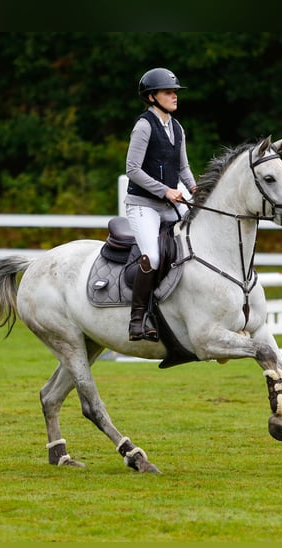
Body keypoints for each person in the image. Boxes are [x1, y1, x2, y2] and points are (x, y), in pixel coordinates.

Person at [124, 67, 198, 342]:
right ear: (152, 97)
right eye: (168, 92)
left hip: (169, 203)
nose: (174, 96)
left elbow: (183, 166)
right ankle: (137, 319)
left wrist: (193, 188)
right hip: (143, 205)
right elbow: (132, 169)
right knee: (153, 257)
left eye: (175, 92)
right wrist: (165, 191)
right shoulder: (144, 126)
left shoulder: (176, 127)